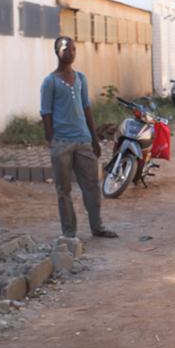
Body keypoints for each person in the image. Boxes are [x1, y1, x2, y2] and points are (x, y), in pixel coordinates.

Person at [40, 37, 118, 239]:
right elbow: (45, 112)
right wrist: (51, 140)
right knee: (63, 190)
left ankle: (97, 227)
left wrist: (94, 139)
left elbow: (86, 108)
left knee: (91, 186)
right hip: (62, 143)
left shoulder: (81, 78)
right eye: (66, 49)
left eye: (73, 49)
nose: (71, 53)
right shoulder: (50, 82)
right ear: (57, 52)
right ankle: (69, 232)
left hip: (83, 140)